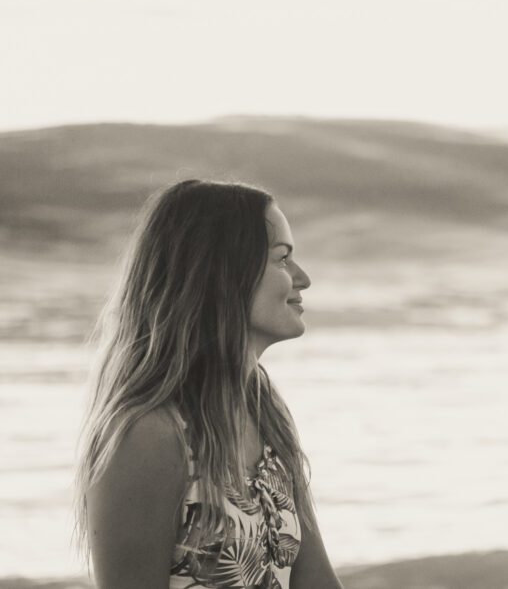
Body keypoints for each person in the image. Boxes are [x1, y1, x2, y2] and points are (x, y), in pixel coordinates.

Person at [73, 180, 343, 588]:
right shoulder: (149, 435)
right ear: (222, 273)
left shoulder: (265, 411)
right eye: (282, 258)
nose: (302, 278)